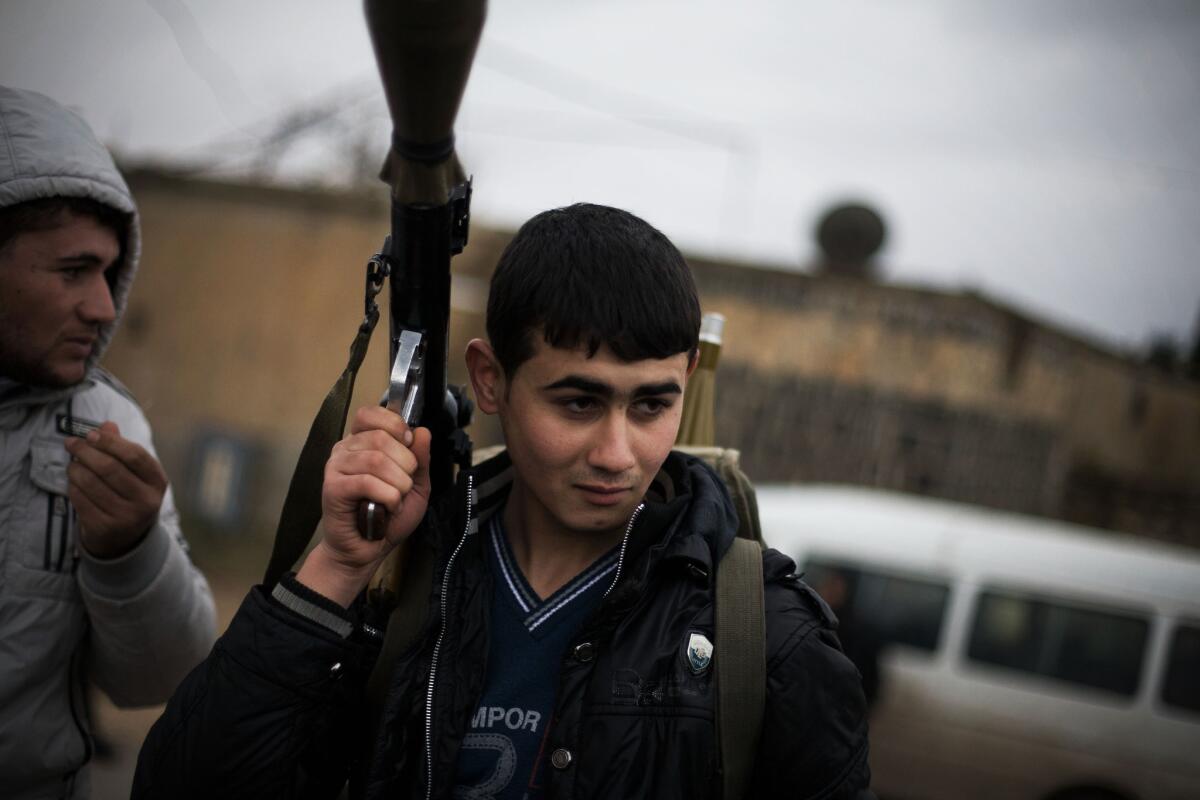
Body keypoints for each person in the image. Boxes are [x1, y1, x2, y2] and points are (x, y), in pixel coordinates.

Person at [134, 204, 873, 798]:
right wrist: (336, 564)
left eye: (651, 405)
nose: (617, 454)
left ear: (687, 376)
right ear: (489, 379)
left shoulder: (766, 635)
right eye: (578, 402)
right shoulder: (403, 589)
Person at [0, 86, 218, 799]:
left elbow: (160, 680)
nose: (103, 308)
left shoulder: (101, 422)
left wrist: (130, 555)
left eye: (107, 270)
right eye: (71, 271)